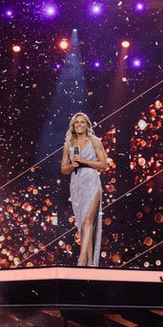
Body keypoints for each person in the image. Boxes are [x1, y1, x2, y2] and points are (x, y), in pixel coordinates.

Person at [60, 112, 108, 267]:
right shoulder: (68, 144)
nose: (79, 125)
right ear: (73, 126)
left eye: (82, 122)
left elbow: (104, 164)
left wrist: (84, 161)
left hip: (92, 181)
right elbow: (63, 169)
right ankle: (90, 263)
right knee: (82, 224)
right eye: (76, 122)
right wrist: (72, 165)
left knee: (88, 220)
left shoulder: (94, 141)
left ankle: (81, 260)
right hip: (76, 183)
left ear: (87, 125)